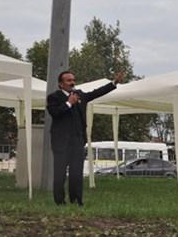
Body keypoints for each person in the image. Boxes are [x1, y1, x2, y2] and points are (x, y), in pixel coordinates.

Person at [47, 70, 124, 206]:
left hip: (77, 141)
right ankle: (59, 202)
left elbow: (96, 93)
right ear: (61, 84)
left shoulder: (80, 95)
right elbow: (55, 113)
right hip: (61, 143)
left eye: (73, 80)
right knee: (60, 174)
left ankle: (76, 200)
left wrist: (114, 83)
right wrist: (69, 103)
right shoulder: (54, 97)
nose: (72, 82)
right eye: (68, 80)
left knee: (76, 173)